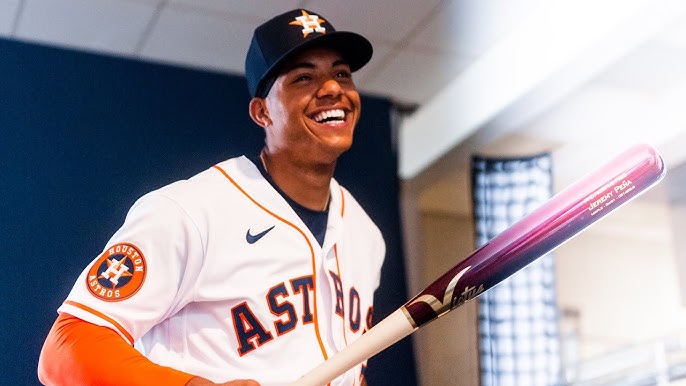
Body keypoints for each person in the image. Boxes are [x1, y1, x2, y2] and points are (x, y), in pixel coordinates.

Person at [37, 8, 385, 386]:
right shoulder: (190, 211)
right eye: (304, 77)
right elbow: (67, 346)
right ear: (262, 112)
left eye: (341, 74)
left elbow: (345, 365)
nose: (334, 88)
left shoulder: (366, 235)